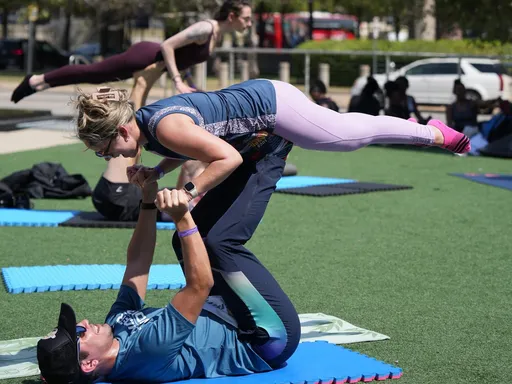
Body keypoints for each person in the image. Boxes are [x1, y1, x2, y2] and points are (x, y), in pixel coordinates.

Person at [37, 177, 300, 383]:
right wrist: (182, 217)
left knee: (185, 241)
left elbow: (138, 263)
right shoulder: (146, 353)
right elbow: (200, 286)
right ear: (88, 364)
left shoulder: (116, 326)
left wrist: (148, 201)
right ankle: (270, 159)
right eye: (79, 333)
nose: (83, 323)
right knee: (221, 245)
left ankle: (242, 162)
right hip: (266, 338)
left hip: (225, 311)